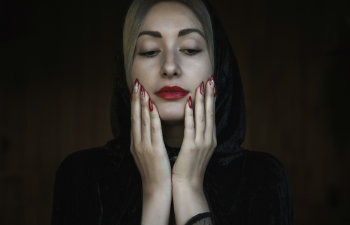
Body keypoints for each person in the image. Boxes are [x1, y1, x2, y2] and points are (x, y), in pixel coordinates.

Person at [51, 0, 293, 224]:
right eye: (149, 51)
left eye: (190, 49)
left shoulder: (263, 179)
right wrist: (155, 193)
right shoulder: (82, 177)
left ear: (217, 68)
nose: (169, 67)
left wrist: (189, 188)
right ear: (126, 72)